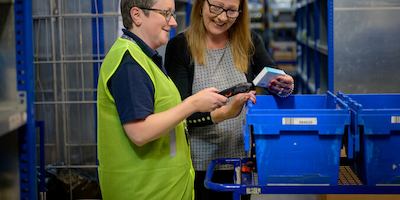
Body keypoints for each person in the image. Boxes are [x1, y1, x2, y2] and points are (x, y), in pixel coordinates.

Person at [96, 0, 230, 199]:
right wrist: (193, 104)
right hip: (143, 192)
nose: (174, 22)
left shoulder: (144, 57)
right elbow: (139, 132)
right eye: (166, 13)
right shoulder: (129, 63)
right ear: (137, 15)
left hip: (161, 190)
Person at [164, 0, 294, 199]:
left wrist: (285, 85)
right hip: (198, 166)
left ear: (240, 13)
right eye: (216, 7)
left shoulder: (249, 42)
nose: (222, 17)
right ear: (201, 5)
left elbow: (274, 81)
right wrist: (224, 113)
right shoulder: (180, 47)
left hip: (241, 162)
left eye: (231, 11)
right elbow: (179, 114)